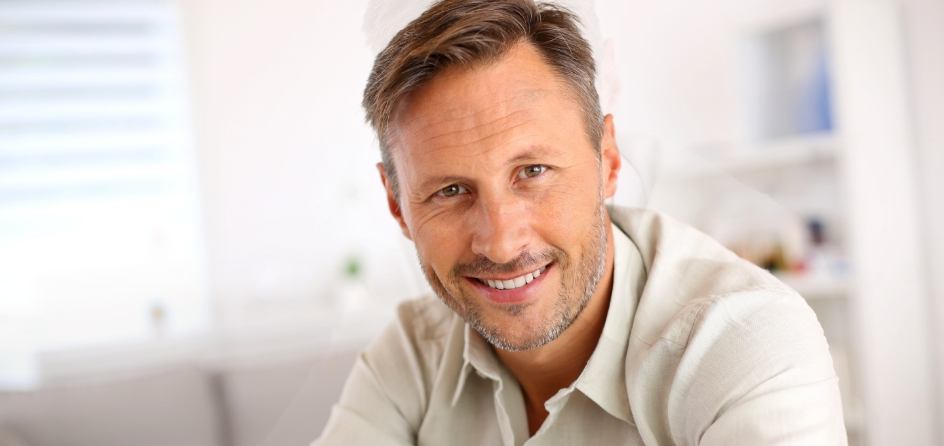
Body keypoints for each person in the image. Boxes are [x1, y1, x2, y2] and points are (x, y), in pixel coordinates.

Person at [315, 0, 847, 444]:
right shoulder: (412, 354)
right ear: (396, 204)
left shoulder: (745, 341)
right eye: (450, 191)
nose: (501, 243)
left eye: (534, 171)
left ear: (608, 160)